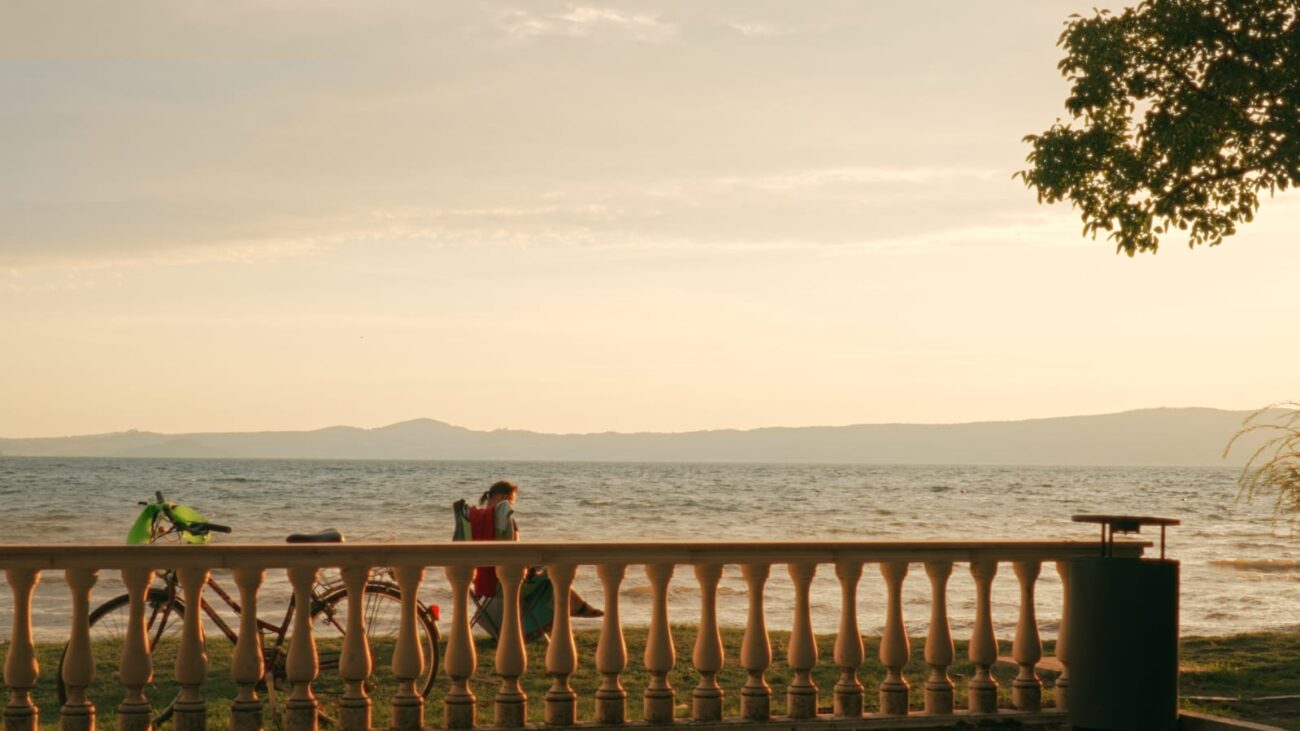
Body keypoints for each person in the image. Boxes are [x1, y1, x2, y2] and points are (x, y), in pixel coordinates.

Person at [464, 480, 603, 618]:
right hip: (506, 581)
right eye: (512, 501)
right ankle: (575, 607)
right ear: (503, 498)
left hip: (481, 580)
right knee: (554, 573)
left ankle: (572, 608)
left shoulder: (475, 518)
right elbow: (515, 553)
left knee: (544, 571)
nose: (512, 505)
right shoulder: (502, 519)